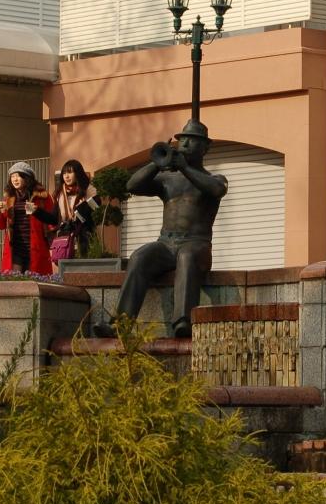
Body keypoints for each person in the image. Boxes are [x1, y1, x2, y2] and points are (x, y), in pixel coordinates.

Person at [93, 119, 227, 339]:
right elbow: (132, 185)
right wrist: (156, 163)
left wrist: (184, 168)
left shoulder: (215, 179)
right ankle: (120, 325)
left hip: (197, 245)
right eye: (182, 140)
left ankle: (183, 321)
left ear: (205, 148)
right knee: (139, 256)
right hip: (166, 244)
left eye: (191, 141)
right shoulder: (167, 179)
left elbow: (216, 190)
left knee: (186, 256)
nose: (184, 145)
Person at [0, 161, 58, 275]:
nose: (15, 179)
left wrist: (37, 210)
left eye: (18, 176)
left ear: (27, 178)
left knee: (34, 280)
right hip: (15, 248)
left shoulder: (42, 196)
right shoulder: (9, 198)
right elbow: (2, 226)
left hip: (36, 246)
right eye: (12, 176)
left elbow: (52, 220)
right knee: (14, 281)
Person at [52, 159, 100, 263]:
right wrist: (37, 211)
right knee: (65, 267)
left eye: (70, 172)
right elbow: (53, 218)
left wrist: (82, 207)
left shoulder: (88, 189)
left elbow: (96, 208)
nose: (66, 176)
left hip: (84, 234)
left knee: (84, 265)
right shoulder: (59, 193)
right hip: (66, 235)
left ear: (77, 173)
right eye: (64, 173)